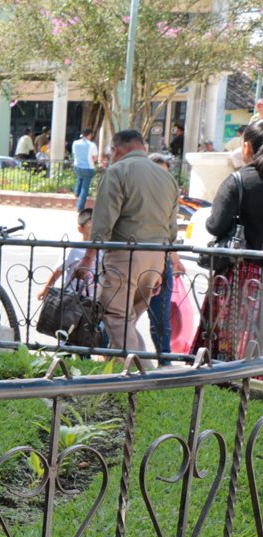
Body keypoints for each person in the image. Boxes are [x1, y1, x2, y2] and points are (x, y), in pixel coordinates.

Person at [79, 129, 179, 368]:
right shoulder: (167, 177)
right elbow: (171, 229)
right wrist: (164, 267)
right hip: (155, 259)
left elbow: (102, 223)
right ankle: (115, 381)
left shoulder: (117, 171)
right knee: (128, 319)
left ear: (116, 150)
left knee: (116, 316)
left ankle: (143, 376)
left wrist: (87, 259)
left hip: (126, 254)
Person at [192, 119, 263, 360]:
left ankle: (225, 377)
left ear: (247, 147)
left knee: (228, 333)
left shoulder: (240, 181)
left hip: (241, 273)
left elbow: (215, 225)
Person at [145, 152, 188, 363]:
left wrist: (174, 259)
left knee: (161, 317)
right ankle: (108, 355)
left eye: (166, 175)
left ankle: (165, 361)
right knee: (121, 317)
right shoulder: (139, 195)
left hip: (161, 263)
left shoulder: (169, 197)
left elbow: (170, 232)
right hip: (135, 262)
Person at [71, 127, 97, 212]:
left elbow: (74, 153)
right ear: (90, 135)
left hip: (77, 166)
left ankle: (76, 193)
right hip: (88, 167)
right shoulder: (92, 145)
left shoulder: (75, 143)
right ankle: (80, 206)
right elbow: (95, 157)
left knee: (79, 179)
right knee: (85, 188)